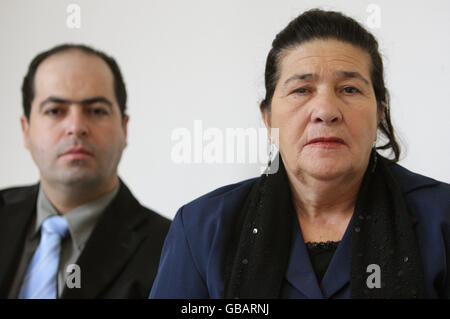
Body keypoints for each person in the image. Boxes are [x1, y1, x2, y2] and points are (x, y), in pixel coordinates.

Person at [150, 9, 450, 299]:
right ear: (268, 119)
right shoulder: (202, 229)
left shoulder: (442, 218)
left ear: (379, 115)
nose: (325, 111)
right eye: (302, 90)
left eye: (349, 89)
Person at [0, 44, 170, 298]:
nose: (76, 126)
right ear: (26, 130)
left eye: (96, 111)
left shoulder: (170, 249)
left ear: (124, 129)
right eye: (55, 111)